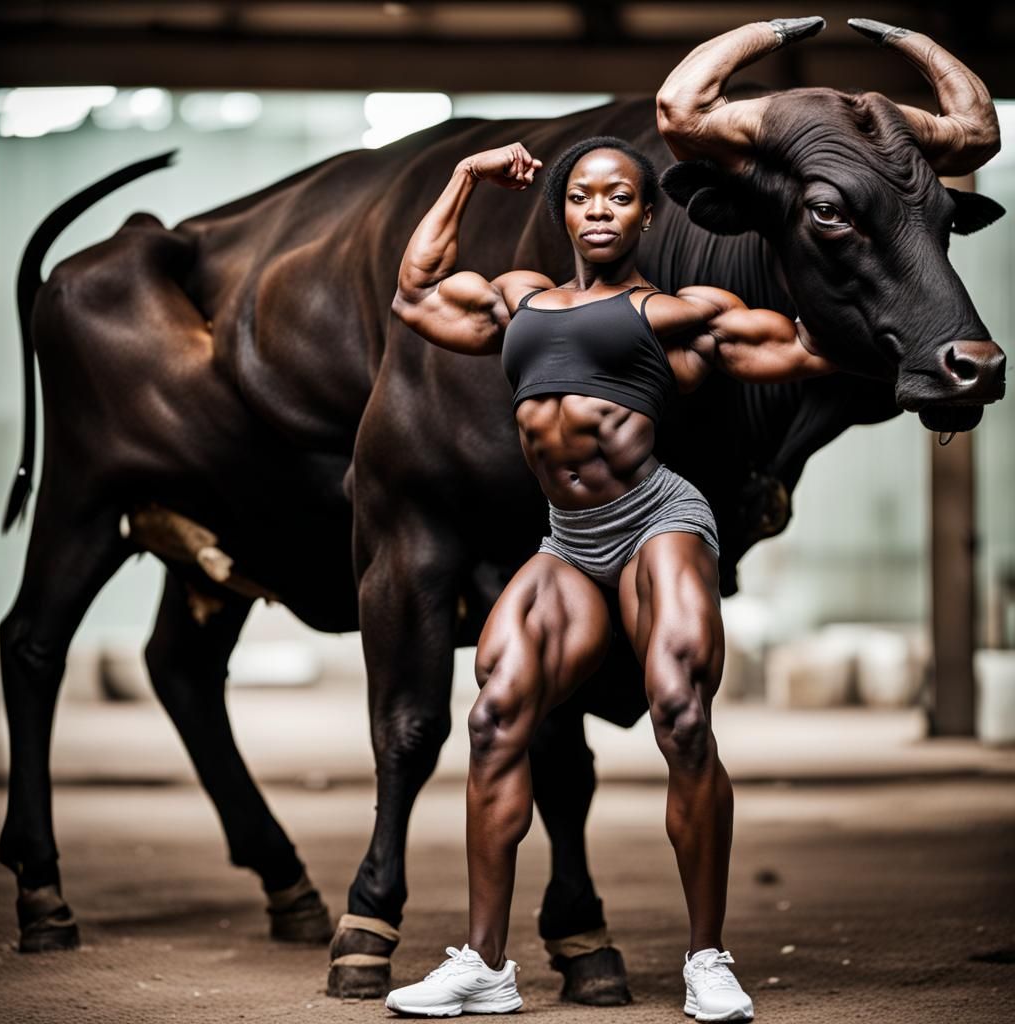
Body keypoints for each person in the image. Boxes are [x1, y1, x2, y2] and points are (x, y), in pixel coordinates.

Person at [384, 135, 835, 1022]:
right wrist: (466, 177)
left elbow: (808, 347)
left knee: (680, 711)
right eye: (583, 195)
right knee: (494, 715)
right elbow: (414, 294)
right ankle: (485, 963)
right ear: (562, 211)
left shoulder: (675, 311)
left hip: (659, 519)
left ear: (646, 214)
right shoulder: (517, 300)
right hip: (569, 537)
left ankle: (708, 958)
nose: (598, 208)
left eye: (619, 196)